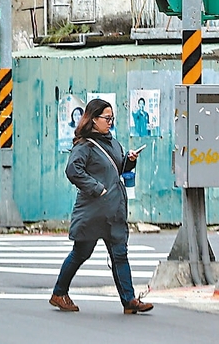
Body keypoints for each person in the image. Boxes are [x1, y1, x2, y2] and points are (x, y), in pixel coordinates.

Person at [49, 97, 153, 315]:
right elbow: (73, 171)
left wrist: (130, 160)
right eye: (107, 118)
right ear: (94, 119)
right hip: (93, 211)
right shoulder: (85, 146)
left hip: (113, 209)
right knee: (81, 253)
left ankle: (129, 300)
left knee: (120, 254)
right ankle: (59, 293)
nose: (110, 122)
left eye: (112, 118)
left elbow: (117, 169)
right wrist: (96, 188)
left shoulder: (113, 143)